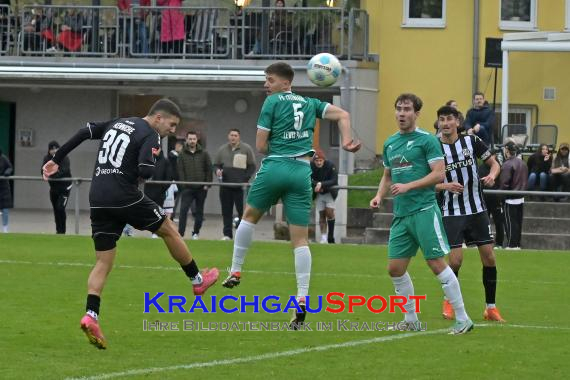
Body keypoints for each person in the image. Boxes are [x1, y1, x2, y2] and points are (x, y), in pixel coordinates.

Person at [42, 99, 219, 350]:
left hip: (98, 196)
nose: (172, 130)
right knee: (169, 229)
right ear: (158, 118)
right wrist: (152, 158)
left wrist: (56, 159)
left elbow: (84, 132)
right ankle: (197, 280)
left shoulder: (118, 122)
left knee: (103, 260)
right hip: (123, 194)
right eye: (172, 124)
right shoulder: (150, 134)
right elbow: (145, 170)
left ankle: (91, 315)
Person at [221, 62, 361, 328]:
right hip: (301, 171)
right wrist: (345, 142)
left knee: (249, 217)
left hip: (276, 165)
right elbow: (343, 114)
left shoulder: (272, 103)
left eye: (270, 80)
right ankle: (302, 297)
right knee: (300, 240)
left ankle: (236, 269)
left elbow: (261, 146)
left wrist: (280, 144)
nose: (266, 85)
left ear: (285, 83)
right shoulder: (310, 102)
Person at [369, 93, 473, 335]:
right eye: (398, 109)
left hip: (424, 210)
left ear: (416, 114)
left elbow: (439, 174)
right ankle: (411, 319)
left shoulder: (427, 140)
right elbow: (387, 175)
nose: (402, 113)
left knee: (436, 263)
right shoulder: (390, 142)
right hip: (402, 215)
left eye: (407, 109)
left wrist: (408, 186)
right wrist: (378, 196)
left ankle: (463, 318)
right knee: (395, 268)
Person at [435, 105, 505, 323]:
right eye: (441, 119)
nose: (445, 123)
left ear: (457, 121)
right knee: (455, 261)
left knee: (489, 257)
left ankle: (490, 308)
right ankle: (449, 301)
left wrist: (492, 175)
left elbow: (494, 164)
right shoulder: (433, 147)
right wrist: (444, 187)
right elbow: (423, 182)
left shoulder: (471, 142)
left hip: (477, 209)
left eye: (449, 119)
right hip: (451, 211)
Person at [214, 128, 256, 240]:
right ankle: (227, 235)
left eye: (235, 135)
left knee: (242, 212)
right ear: (228, 136)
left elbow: (252, 166)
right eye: (231, 135)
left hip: (241, 188)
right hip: (225, 186)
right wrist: (217, 170)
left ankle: (241, 235)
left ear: (239, 137)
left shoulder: (246, 149)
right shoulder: (221, 150)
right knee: (226, 212)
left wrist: (244, 178)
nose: (233, 137)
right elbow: (216, 165)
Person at [177, 131, 213, 239]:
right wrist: (183, 185)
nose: (192, 141)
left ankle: (196, 232)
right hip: (187, 188)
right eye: (190, 139)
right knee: (183, 211)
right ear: (187, 140)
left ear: (197, 140)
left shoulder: (204, 153)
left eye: (194, 139)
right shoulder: (182, 154)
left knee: (199, 212)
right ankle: (181, 234)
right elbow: (180, 170)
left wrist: (207, 184)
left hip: (201, 188)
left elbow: (209, 169)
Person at [499, 141, 528, 250]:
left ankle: (512, 245)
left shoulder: (507, 164)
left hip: (510, 197)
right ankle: (516, 244)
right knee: (518, 222)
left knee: (510, 222)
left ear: (507, 150)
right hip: (521, 197)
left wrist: (501, 198)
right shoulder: (523, 163)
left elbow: (504, 183)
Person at [42, 141, 72, 234]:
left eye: (56, 148)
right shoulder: (47, 158)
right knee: (56, 210)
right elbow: (43, 170)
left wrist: (51, 175)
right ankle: (58, 231)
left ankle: (62, 231)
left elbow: (64, 171)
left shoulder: (64, 157)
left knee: (60, 208)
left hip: (65, 188)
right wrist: (49, 174)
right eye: (52, 149)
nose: (54, 151)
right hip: (54, 188)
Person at [310, 149, 338, 244]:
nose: (318, 163)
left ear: (324, 160)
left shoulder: (330, 165)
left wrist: (321, 184)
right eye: (317, 161)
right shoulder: (311, 166)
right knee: (321, 215)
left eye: (320, 161)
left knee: (329, 213)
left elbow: (334, 180)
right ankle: (324, 237)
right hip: (319, 193)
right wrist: (316, 185)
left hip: (329, 192)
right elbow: (308, 178)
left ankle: (331, 236)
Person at [0, 148, 13, 233]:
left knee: (5, 209)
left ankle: (5, 228)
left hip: (3, 187)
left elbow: (10, 167)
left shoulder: (3, 158)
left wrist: (6, 173)